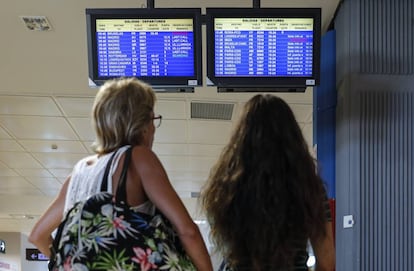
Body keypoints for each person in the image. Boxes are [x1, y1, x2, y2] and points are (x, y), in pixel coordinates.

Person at [29, 77, 213, 271]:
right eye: (152, 119)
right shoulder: (138, 158)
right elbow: (187, 231)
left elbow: (37, 236)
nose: (153, 129)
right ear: (140, 123)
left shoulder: (78, 173)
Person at [200, 94, 335, 271]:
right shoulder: (309, 188)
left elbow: (225, 246)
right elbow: (327, 261)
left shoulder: (224, 189)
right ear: (292, 139)